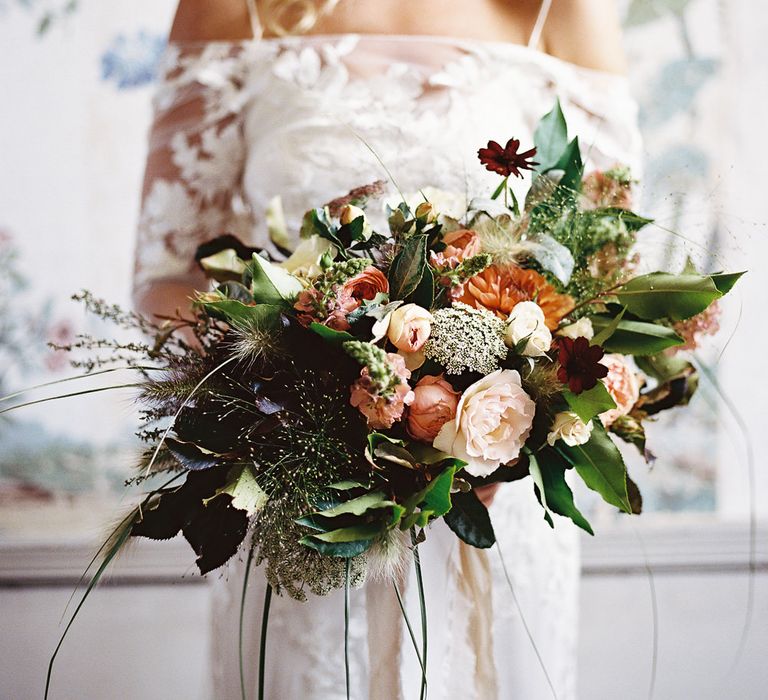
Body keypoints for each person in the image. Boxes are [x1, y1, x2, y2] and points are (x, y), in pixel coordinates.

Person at [133, 1, 641, 697]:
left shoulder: (558, 9)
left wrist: (501, 415)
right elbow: (168, 277)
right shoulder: (232, 8)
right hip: (301, 500)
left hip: (498, 496)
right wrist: (298, 403)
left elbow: (609, 271)